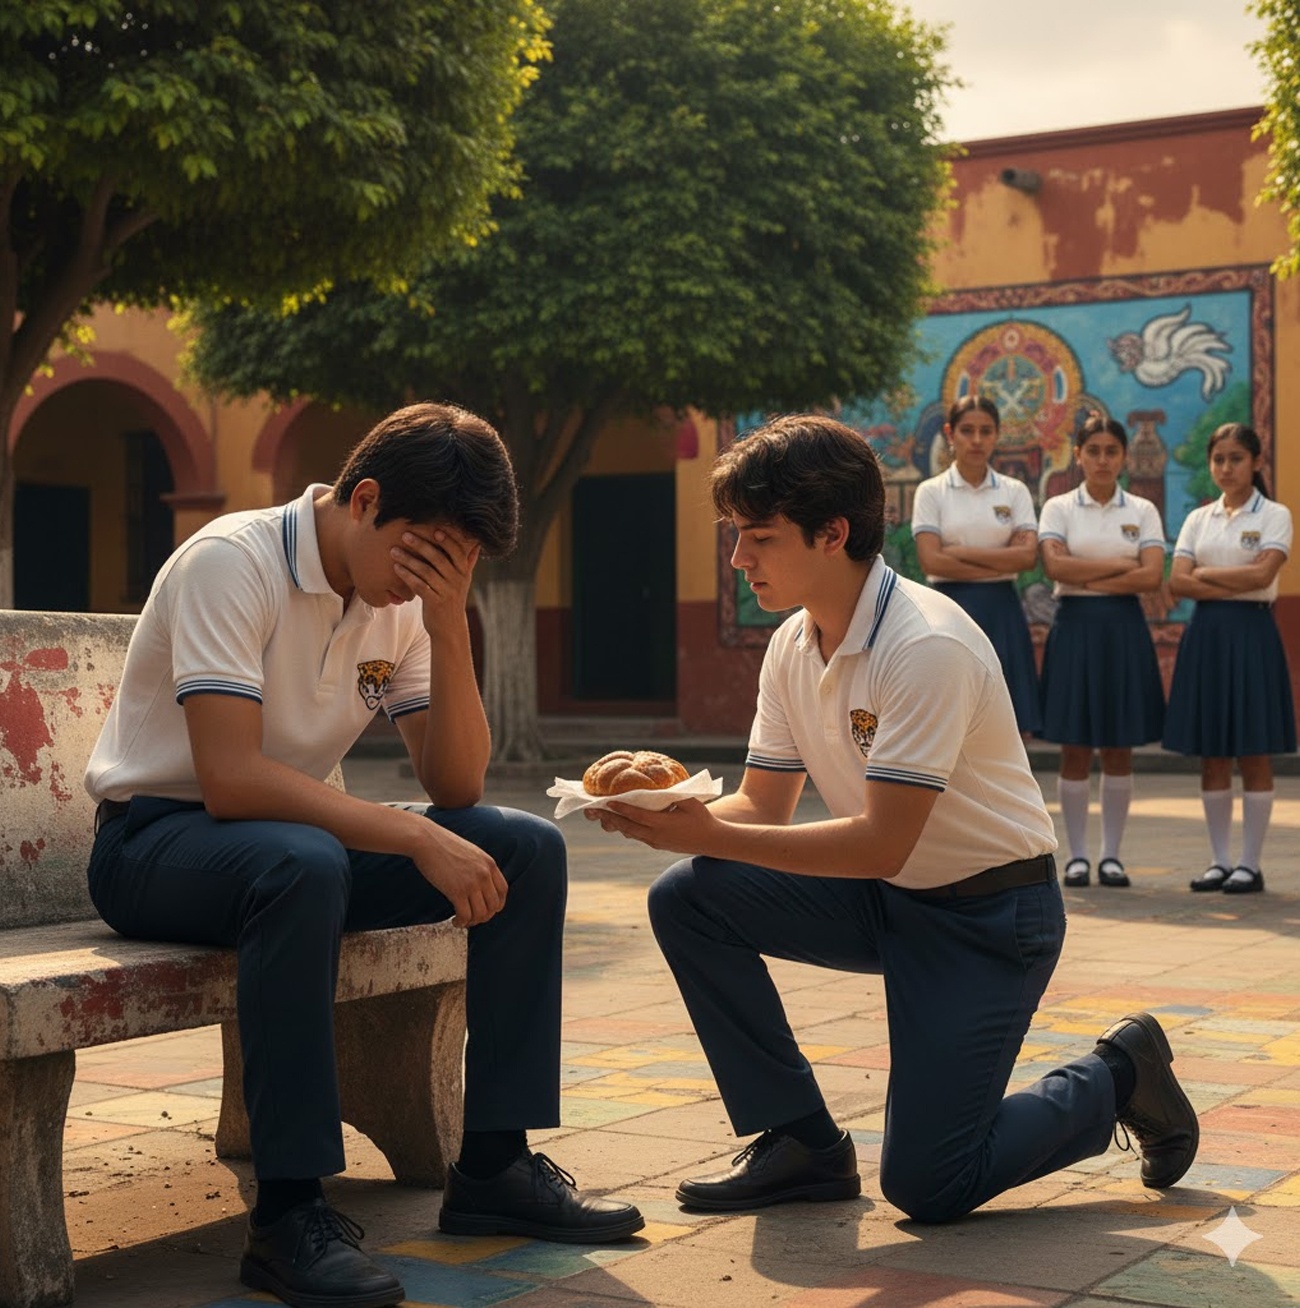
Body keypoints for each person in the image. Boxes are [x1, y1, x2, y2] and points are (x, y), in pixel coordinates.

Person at [84, 403, 643, 1308]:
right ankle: (289, 1215)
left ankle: (494, 1166)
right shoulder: (232, 561)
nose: (428, 579)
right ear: (367, 499)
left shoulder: (407, 603)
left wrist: (449, 622)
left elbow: (456, 783)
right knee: (305, 863)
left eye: (457, 563)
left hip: (290, 848)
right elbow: (230, 779)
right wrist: (414, 835)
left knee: (525, 846)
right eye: (425, 556)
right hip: (154, 845)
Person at [588, 413, 1198, 1223]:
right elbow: (761, 805)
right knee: (689, 894)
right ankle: (802, 1140)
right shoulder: (794, 643)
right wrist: (665, 813)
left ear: (833, 533)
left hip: (989, 917)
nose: (739, 559)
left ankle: (1118, 1074)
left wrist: (710, 832)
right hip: (887, 899)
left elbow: (881, 841)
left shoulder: (925, 644)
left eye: (759, 538)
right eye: (737, 536)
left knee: (929, 1185)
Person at [1163, 423, 1295, 894]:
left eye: (1236, 458)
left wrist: (1205, 574)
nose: (1226, 468)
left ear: (1256, 462)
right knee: (1213, 753)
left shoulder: (1275, 515)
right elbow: (1178, 581)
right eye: (1218, 459)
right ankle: (1220, 861)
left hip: (1252, 633)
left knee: (1254, 750)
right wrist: (1226, 577)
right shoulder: (1199, 518)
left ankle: (1250, 864)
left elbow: (1262, 577)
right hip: (1207, 636)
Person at [1037, 414, 1167, 889]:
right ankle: (1077, 857)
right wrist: (1120, 566)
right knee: (1074, 747)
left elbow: (1151, 576)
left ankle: (1111, 856)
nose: (1103, 460)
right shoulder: (1058, 508)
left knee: (1118, 747)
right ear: (1078, 455)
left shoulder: (1143, 510)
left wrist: (1085, 571)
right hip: (1075, 627)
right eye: (1093, 451)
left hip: (1123, 629)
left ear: (1124, 457)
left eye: (1112, 451)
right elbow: (1055, 567)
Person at [910, 395, 1041, 733]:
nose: (977, 440)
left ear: (997, 435)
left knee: (1009, 725)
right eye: (967, 430)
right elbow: (930, 559)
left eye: (986, 431)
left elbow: (1027, 557)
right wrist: (1001, 561)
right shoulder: (931, 492)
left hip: (1003, 610)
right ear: (950, 433)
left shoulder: (1014, 491)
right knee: (948, 721)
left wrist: (957, 552)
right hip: (948, 608)